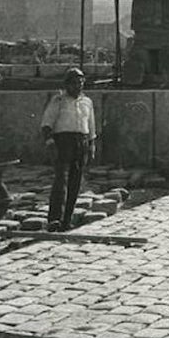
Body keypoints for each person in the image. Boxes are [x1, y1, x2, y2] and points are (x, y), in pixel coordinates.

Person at [40, 68, 96, 231]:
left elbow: (91, 125)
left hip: (81, 142)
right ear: (67, 85)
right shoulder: (58, 100)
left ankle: (67, 220)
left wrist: (92, 145)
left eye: (81, 82)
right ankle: (54, 219)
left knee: (75, 183)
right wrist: (50, 143)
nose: (78, 86)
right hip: (63, 143)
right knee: (61, 181)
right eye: (74, 83)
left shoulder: (87, 102)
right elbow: (46, 123)